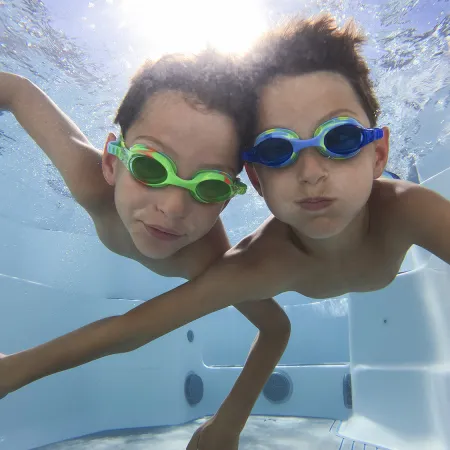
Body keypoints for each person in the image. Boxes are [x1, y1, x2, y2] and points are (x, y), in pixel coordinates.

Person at [0, 50, 291, 450]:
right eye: (151, 168)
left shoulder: (208, 259)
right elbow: (16, 89)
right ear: (111, 162)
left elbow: (277, 327)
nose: (172, 208)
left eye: (210, 186)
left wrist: (229, 422)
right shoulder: (91, 184)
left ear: (225, 202)